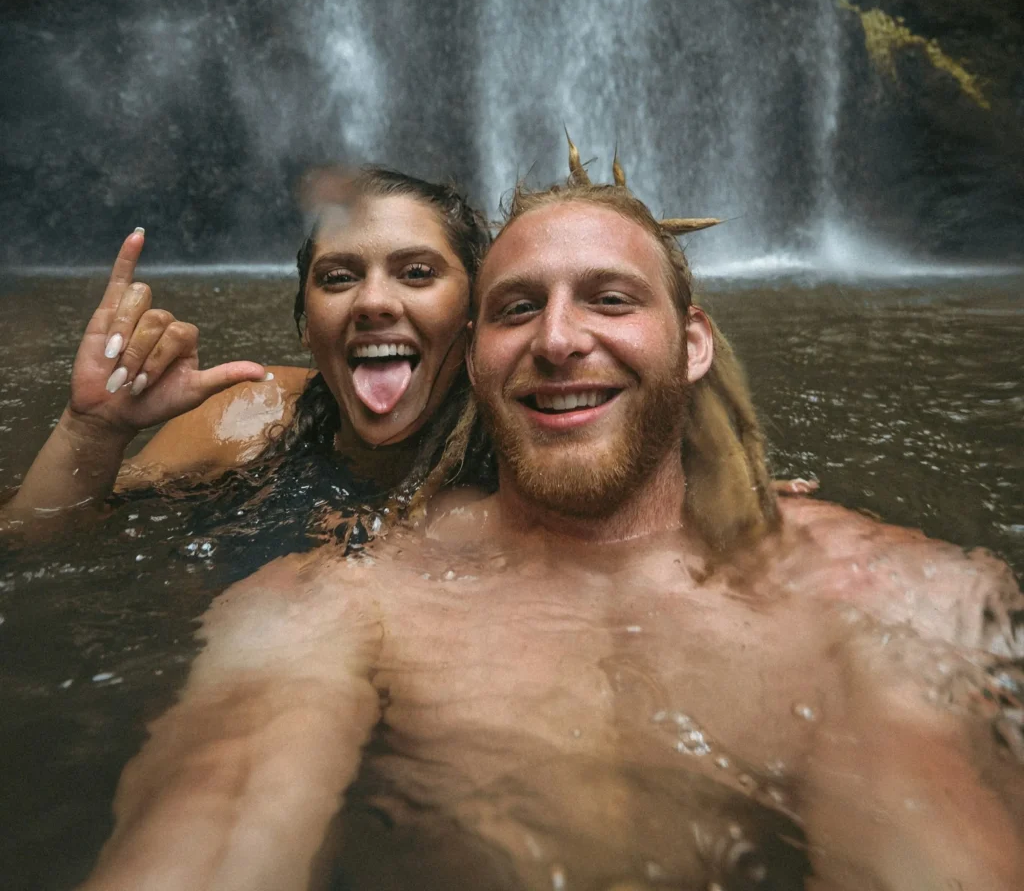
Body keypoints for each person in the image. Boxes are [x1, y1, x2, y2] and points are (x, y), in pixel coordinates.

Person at [79, 153, 1024, 891]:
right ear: (474, 356)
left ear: (692, 343)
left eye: (610, 298)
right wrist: (88, 432)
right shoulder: (345, 593)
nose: (560, 340)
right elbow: (225, 802)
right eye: (518, 307)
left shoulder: (883, 589)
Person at [1, 166, 491, 540]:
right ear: (306, 326)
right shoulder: (244, 416)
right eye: (338, 278)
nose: (372, 302)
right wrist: (94, 431)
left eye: (417, 273)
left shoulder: (527, 448)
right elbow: (31, 543)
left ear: (478, 314)